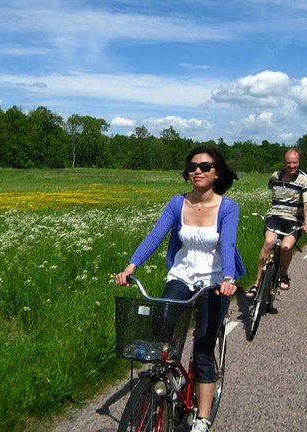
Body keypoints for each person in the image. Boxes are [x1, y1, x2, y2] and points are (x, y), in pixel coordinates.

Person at [115, 145, 246, 432]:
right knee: (163, 327)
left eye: (205, 166)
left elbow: (228, 244)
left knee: (201, 350)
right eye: (192, 167)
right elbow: (156, 234)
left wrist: (228, 278)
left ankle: (202, 418)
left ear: (216, 173)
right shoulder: (177, 203)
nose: (197, 170)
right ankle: (165, 381)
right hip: (183, 275)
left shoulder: (227, 207)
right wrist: (131, 266)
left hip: (214, 281)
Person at [246, 148, 307, 299]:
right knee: (268, 243)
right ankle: (257, 283)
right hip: (275, 216)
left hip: (294, 219)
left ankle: (284, 274)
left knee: (286, 246)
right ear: (284, 162)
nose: (292, 166)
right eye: (289, 162)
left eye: (295, 162)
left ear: (299, 162)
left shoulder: (304, 180)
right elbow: (271, 190)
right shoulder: (275, 176)